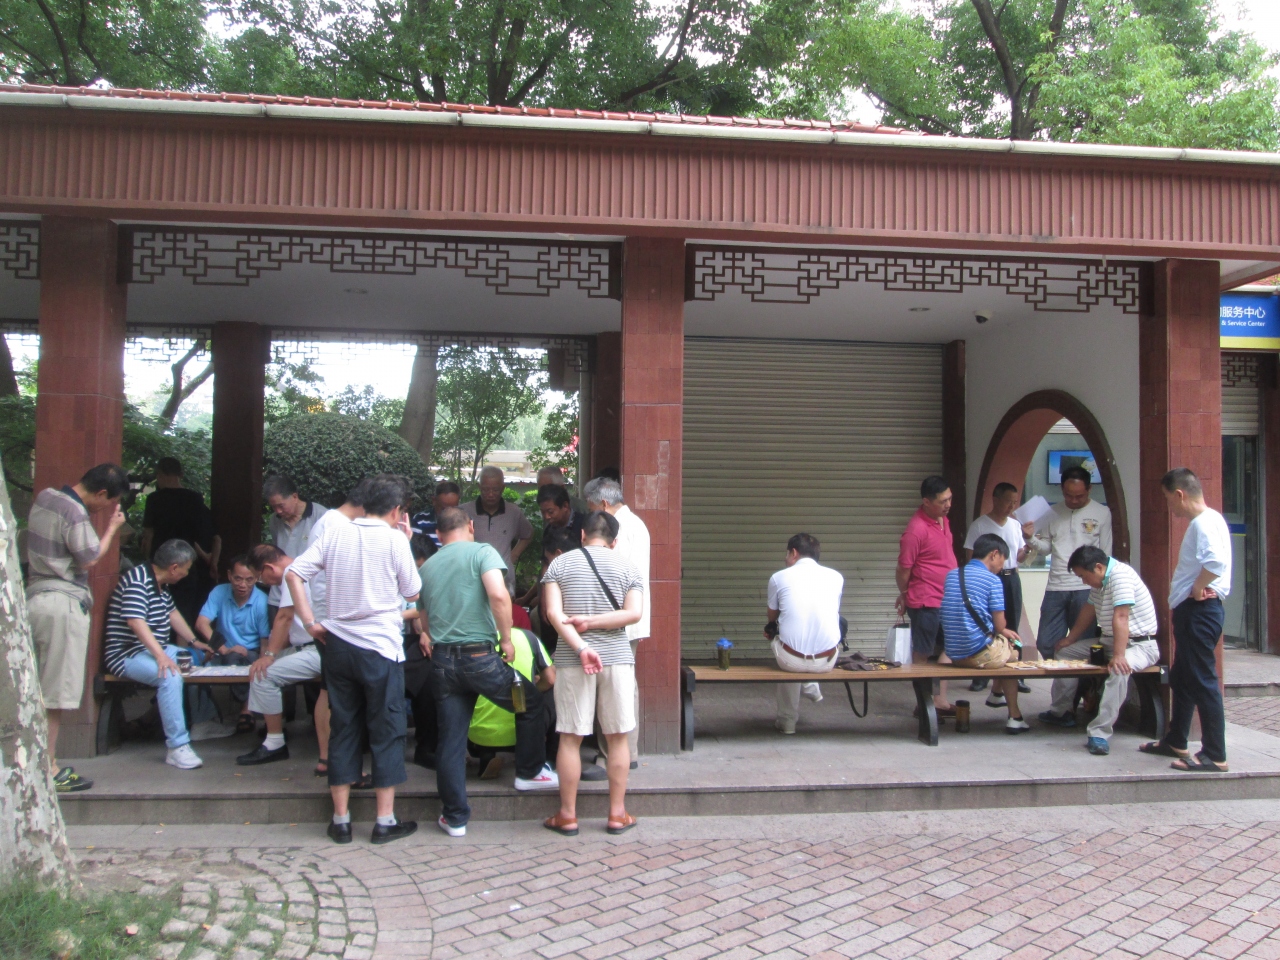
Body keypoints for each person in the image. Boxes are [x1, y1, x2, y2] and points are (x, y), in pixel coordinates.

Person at [286, 475, 422, 845]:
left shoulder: (335, 532)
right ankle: (384, 821)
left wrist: (310, 623)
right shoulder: (394, 539)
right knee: (386, 728)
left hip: (338, 646)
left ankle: (341, 820)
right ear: (396, 511)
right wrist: (406, 542)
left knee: (344, 727)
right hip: (380, 648)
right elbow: (412, 591)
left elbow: (293, 574)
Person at [420, 506, 551, 837]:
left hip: (443, 662)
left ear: (438, 534)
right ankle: (529, 771)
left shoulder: (428, 566)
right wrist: (506, 638)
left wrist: (434, 638)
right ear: (471, 526)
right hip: (480, 658)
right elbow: (498, 594)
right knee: (529, 702)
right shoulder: (482, 552)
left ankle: (455, 818)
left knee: (451, 739)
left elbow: (423, 616)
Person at [26, 462, 129, 792]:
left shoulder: (45, 498)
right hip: (62, 604)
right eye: (109, 502)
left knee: (33, 688)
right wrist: (112, 528)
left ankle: (32, 763)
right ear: (101, 493)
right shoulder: (75, 511)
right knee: (54, 694)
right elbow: (89, 557)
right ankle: (48, 768)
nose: (106, 508)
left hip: (34, 598)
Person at [541, 511, 645, 837]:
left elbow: (552, 613)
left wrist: (581, 644)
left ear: (583, 535)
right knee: (617, 737)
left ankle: (567, 815)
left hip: (572, 659)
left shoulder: (560, 564)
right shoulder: (628, 567)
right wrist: (596, 622)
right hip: (617, 658)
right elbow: (634, 613)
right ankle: (617, 814)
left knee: (570, 738)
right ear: (614, 541)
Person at [1140, 468, 1232, 773]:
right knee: (1182, 676)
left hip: (1198, 611)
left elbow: (1215, 562)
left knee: (1203, 679)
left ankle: (1214, 754)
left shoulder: (1202, 523)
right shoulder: (1212, 519)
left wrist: (1197, 586)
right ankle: (1176, 739)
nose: (1169, 506)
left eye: (1168, 499)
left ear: (1180, 494)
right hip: (1196, 611)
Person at [103, 538, 214, 769]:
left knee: (194, 659)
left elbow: (172, 613)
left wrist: (195, 642)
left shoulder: (160, 584)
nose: (186, 574)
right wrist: (161, 657)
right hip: (127, 654)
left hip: (156, 649)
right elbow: (135, 621)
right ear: (174, 568)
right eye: (186, 569)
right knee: (169, 676)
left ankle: (202, 721)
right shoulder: (137, 581)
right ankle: (177, 746)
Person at [1038, 546, 1161, 754]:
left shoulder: (1120, 576)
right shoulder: (1100, 582)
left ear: (1098, 567)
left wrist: (1119, 656)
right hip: (1109, 642)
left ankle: (1099, 733)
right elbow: (1089, 610)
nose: (1083, 582)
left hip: (1140, 645)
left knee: (1119, 670)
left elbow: (1121, 616)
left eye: (1083, 576)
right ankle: (1061, 711)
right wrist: (1070, 639)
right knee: (1064, 653)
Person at [582, 476, 651, 767]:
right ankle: (623, 753)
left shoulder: (619, 528)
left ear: (603, 503)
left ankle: (615, 754)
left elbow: (610, 574)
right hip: (626, 616)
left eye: (592, 509)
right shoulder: (636, 524)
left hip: (618, 618)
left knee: (615, 687)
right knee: (622, 685)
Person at [941, 533, 1028, 733]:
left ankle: (997, 694)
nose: (1002, 567)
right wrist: (1004, 631)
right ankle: (1014, 716)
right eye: (1003, 560)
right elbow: (999, 625)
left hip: (953, 653)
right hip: (977, 655)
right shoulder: (993, 581)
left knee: (1002, 644)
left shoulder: (952, 575)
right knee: (1013, 652)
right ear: (994, 554)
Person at [1027, 466, 1113, 660]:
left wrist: (1102, 587)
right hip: (1056, 585)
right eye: (1068, 495)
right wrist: (1030, 538)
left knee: (1083, 642)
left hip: (1086, 587)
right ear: (1062, 489)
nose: (1073, 500)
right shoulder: (1052, 512)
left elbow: (1105, 553)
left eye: (1079, 496)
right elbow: (1046, 548)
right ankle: (1059, 674)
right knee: (1046, 642)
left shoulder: (1102, 512)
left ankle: (1077, 679)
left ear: (1089, 489)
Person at [764, 533, 844, 735]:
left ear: (794, 553)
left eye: (786, 554)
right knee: (803, 642)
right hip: (827, 661)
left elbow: (772, 616)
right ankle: (810, 685)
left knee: (781, 643)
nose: (785, 559)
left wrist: (772, 627)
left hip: (791, 661)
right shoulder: (836, 577)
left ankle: (787, 720)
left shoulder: (778, 577)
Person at [467, 625, 559, 790]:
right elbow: (551, 679)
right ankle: (548, 761)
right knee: (554, 693)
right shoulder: (528, 637)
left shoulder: (471, 640)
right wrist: (532, 689)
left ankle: (486, 754)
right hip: (523, 734)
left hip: (477, 736)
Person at [963, 482, 1033, 697]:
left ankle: (1015, 673)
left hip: (1011, 578)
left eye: (1015, 502)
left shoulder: (1015, 525)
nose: (1011, 506)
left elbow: (1020, 556)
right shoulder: (979, 525)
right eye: (1008, 501)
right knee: (986, 624)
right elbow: (970, 556)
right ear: (995, 499)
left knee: (1012, 624)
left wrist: (1029, 546)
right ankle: (981, 674)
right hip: (988, 578)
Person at [896, 476, 958, 715]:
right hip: (925, 600)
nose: (948, 504)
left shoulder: (943, 519)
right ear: (926, 502)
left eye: (950, 499)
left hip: (947, 597)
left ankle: (940, 700)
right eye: (943, 501)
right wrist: (904, 594)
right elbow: (903, 569)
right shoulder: (916, 530)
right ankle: (924, 706)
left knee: (952, 646)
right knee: (922, 653)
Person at [141, 457, 220, 627]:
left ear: (160, 474)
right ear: (181, 474)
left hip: (160, 563)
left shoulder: (154, 499)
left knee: (155, 608)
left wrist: (146, 559)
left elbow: (148, 535)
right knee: (184, 610)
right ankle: (184, 643)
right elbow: (201, 536)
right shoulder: (195, 499)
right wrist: (208, 559)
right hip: (186, 564)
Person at [195, 554, 270, 731]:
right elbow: (201, 623)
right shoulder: (219, 592)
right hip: (223, 649)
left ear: (257, 578)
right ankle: (202, 716)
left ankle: (246, 709)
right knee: (191, 661)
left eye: (249, 579)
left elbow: (264, 640)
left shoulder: (261, 601)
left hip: (251, 650)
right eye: (238, 578)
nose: (243, 584)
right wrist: (223, 649)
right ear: (229, 576)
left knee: (243, 660)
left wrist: (263, 661)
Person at [463, 466, 534, 596]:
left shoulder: (513, 512)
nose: (490, 494)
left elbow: (528, 534)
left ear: (503, 488)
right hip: (473, 581)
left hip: (504, 582)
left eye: (495, 490)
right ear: (479, 487)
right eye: (486, 490)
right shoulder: (464, 512)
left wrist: (513, 555)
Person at [411, 481, 461, 548]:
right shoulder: (420, 521)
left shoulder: (464, 521)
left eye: (453, 508)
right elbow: (416, 550)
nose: (448, 513)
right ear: (434, 501)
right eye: (443, 509)